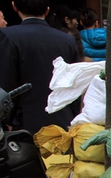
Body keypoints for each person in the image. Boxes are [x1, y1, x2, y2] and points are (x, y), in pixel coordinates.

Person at [0, 0, 79, 134]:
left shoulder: (8, 36)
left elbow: (6, 82)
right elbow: (75, 82)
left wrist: (7, 120)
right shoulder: (67, 40)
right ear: (47, 10)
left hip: (24, 122)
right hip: (63, 119)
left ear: (14, 6)